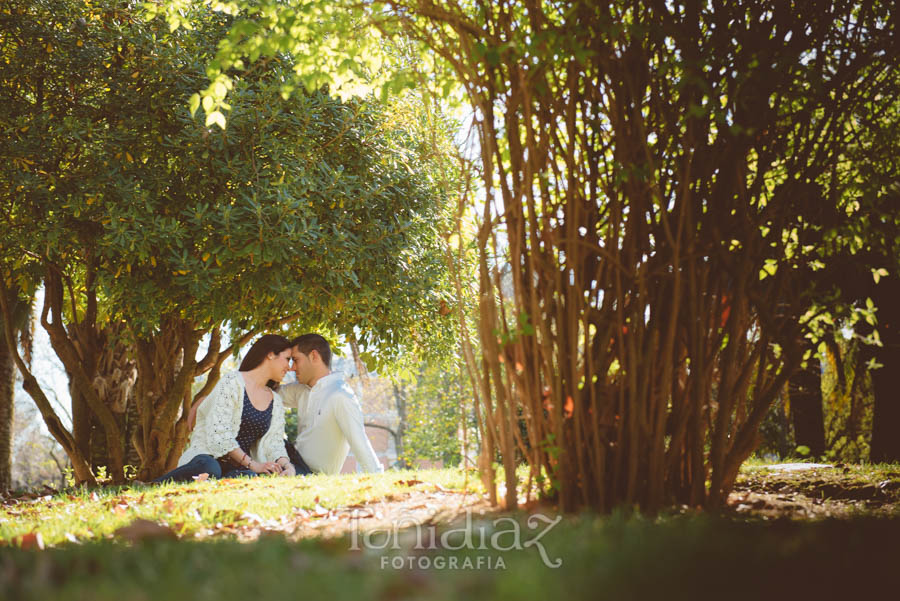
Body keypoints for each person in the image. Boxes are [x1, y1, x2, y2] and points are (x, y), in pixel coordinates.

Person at [154, 334, 296, 483]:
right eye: (287, 359)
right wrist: (253, 464)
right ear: (271, 355)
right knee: (210, 468)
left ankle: (216, 483)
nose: (290, 367)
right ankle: (155, 484)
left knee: (249, 478)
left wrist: (288, 467)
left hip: (240, 468)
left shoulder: (276, 401)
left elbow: (275, 444)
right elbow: (220, 433)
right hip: (210, 458)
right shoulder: (233, 382)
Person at [279, 334, 385, 475]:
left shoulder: (340, 395)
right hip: (290, 461)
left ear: (314, 356)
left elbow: (359, 441)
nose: (292, 368)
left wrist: (376, 476)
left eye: (296, 360)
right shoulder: (301, 390)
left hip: (309, 473)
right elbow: (262, 394)